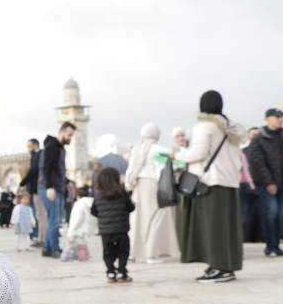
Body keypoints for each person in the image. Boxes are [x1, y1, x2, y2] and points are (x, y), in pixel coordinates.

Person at [171, 90, 246, 283]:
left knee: (212, 227)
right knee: (225, 227)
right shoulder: (230, 127)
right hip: (229, 182)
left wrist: (178, 155)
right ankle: (222, 265)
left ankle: (221, 268)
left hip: (210, 182)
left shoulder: (205, 126)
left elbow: (198, 153)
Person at [125, 123, 179, 263]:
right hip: (153, 185)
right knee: (157, 218)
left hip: (138, 186)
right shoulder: (158, 149)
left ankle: (133, 253)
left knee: (138, 219)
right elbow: (163, 168)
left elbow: (130, 170)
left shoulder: (137, 149)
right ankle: (151, 254)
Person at [247, 108, 283, 257]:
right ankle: (270, 246)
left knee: (279, 214)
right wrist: (269, 183)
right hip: (266, 184)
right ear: (267, 119)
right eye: (277, 116)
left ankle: (276, 245)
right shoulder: (258, 139)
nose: (280, 119)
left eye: (281, 116)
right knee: (270, 213)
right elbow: (257, 163)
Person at [39, 122, 76, 257]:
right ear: (62, 132)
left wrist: (66, 182)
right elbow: (47, 167)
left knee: (53, 219)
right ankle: (54, 248)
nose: (70, 138)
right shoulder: (52, 146)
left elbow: (57, 169)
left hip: (57, 187)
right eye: (69, 135)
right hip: (50, 188)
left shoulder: (60, 148)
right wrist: (49, 187)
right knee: (55, 219)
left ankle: (48, 248)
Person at [91, 168, 135, 283]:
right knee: (123, 251)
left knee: (108, 252)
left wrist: (103, 216)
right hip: (121, 229)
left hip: (105, 231)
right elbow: (130, 208)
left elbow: (93, 211)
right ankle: (122, 273)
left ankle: (110, 273)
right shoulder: (122, 193)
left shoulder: (98, 194)